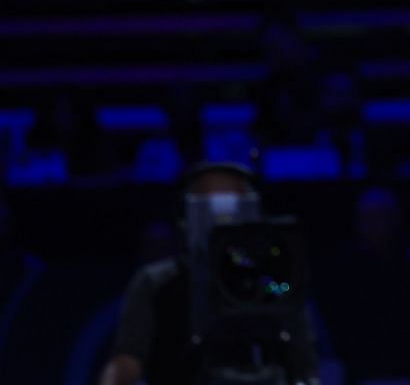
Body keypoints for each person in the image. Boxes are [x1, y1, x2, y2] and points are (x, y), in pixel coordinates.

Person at [99, 162, 319, 385]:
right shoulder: (157, 283)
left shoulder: (276, 284)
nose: (222, 222)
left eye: (233, 209)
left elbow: (306, 365)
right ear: (185, 217)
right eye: (209, 209)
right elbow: (128, 358)